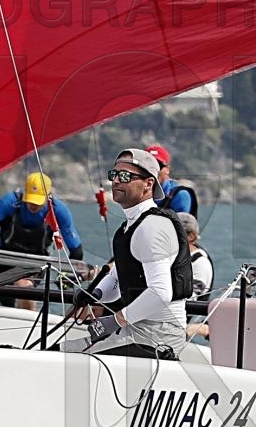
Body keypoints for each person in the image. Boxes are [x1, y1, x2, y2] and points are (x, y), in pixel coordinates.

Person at [80, 148, 192, 356]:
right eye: (114, 175)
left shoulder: (153, 226)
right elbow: (116, 280)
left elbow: (161, 292)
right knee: (58, 351)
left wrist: (115, 321)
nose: (116, 181)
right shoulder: (129, 227)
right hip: (136, 329)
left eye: (125, 176)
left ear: (148, 184)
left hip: (159, 337)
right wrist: (93, 295)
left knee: (63, 357)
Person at [0, 170, 83, 304]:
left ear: (48, 196)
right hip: (5, 258)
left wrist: (66, 274)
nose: (33, 205)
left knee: (24, 287)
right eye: (30, 200)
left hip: (35, 261)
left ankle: (29, 316)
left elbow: (76, 250)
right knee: (2, 301)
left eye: (37, 202)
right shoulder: (9, 202)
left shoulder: (58, 210)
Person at [174, 211, 212, 341]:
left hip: (180, 328)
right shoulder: (170, 259)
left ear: (190, 236)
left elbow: (190, 299)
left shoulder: (200, 263)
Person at [147, 143, 200, 217]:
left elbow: (181, 223)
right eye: (147, 165)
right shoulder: (137, 193)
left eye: (158, 165)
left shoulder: (179, 195)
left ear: (167, 170)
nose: (153, 170)